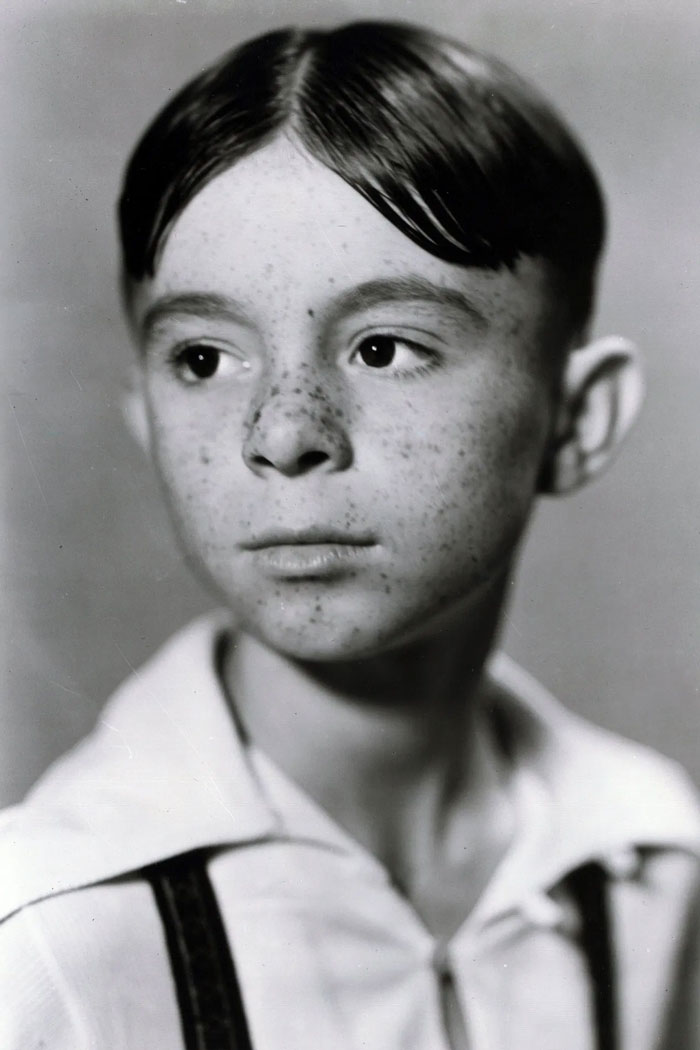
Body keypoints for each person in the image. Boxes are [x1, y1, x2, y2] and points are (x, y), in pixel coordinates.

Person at [1, 20, 698, 1050]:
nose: (282, 434)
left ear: (576, 417)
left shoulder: (650, 866)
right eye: (203, 359)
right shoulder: (47, 932)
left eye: (383, 347)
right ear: (144, 416)